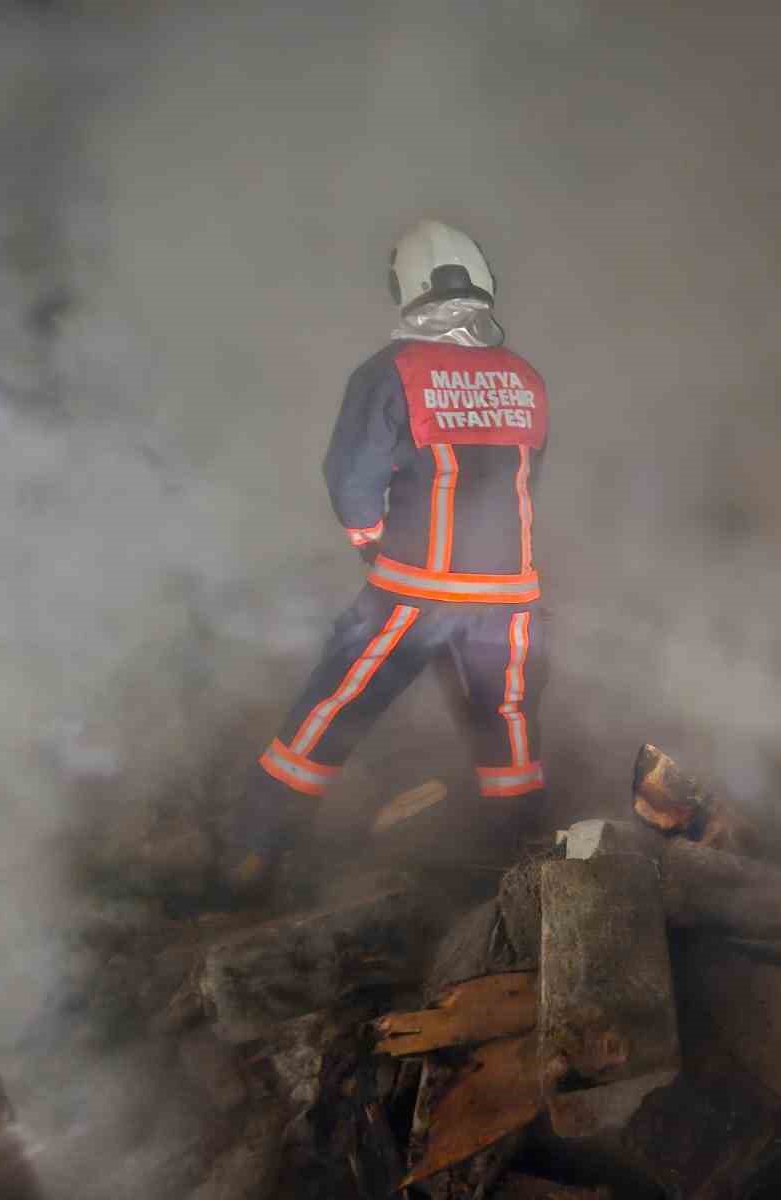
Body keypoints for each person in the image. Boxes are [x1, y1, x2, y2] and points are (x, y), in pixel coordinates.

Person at [224, 220, 550, 896]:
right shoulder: (524, 376)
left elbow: (350, 481)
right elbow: (525, 477)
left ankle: (252, 859)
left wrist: (370, 542)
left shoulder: (389, 372)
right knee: (508, 728)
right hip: (510, 600)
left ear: (405, 288)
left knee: (330, 710)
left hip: (414, 593)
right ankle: (522, 877)